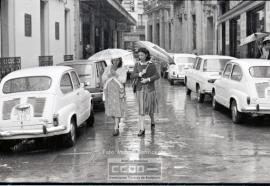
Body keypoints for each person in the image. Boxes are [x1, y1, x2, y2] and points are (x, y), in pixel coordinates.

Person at [131, 48, 160, 137]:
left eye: (142, 55)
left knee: (150, 108)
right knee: (141, 110)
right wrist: (139, 74)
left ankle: (152, 120)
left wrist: (148, 79)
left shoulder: (151, 65)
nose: (140, 57)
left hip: (150, 90)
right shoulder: (137, 64)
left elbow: (157, 75)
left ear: (146, 55)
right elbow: (132, 75)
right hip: (140, 90)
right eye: (139, 55)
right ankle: (142, 129)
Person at [102, 57, 127, 136]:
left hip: (118, 90)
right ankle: (117, 121)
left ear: (120, 60)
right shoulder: (107, 68)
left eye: (117, 60)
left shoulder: (123, 68)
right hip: (109, 90)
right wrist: (109, 74)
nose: (116, 61)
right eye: (114, 60)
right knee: (111, 110)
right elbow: (103, 78)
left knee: (117, 108)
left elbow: (124, 80)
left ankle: (116, 128)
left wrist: (116, 74)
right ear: (111, 60)